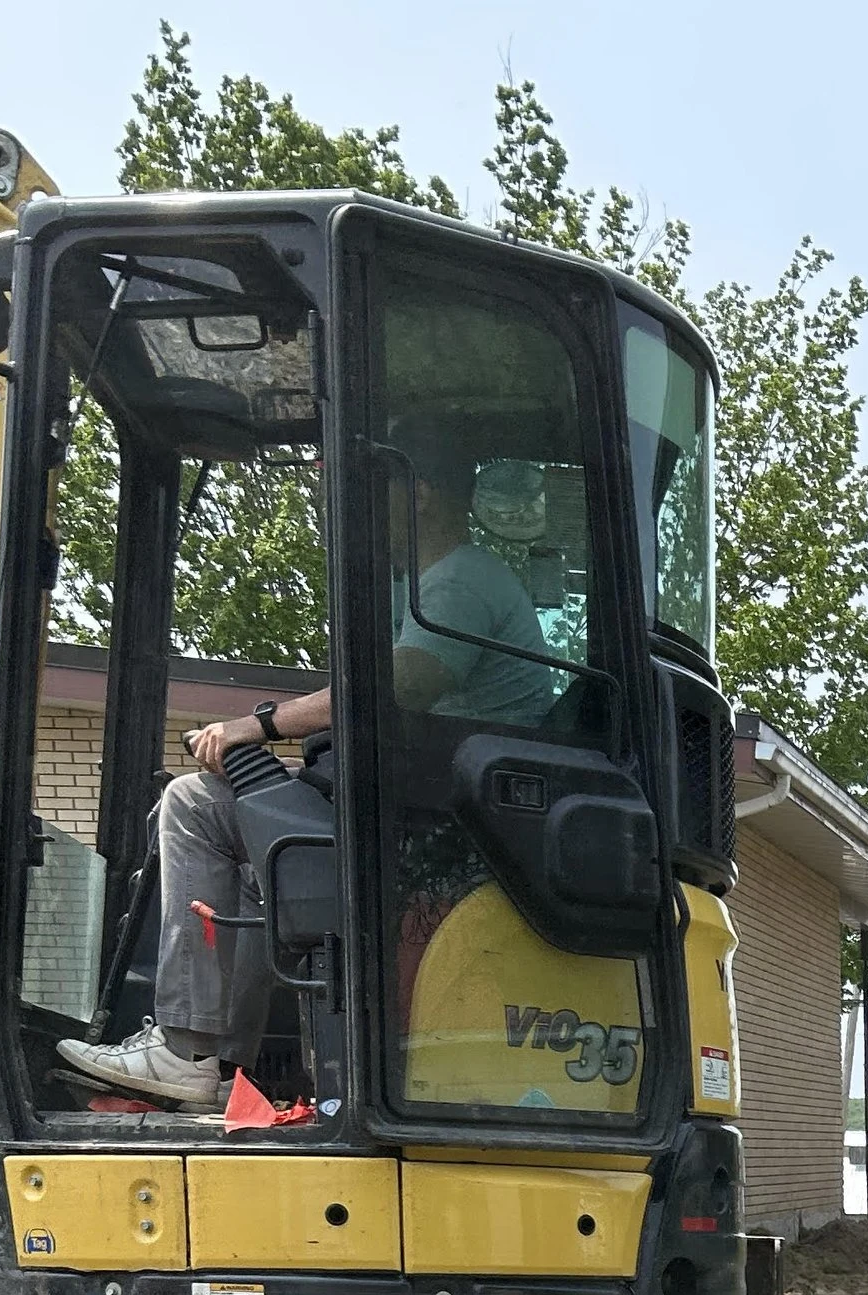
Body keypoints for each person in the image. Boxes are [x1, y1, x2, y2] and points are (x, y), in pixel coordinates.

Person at [57, 457, 558, 1109]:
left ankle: (186, 1049)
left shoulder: (459, 581)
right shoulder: (442, 581)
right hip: (436, 811)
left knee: (193, 806)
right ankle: (217, 1063)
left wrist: (256, 726)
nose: (345, 506)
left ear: (422, 492)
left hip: (436, 830)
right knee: (253, 849)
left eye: (365, 486)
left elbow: (389, 689)